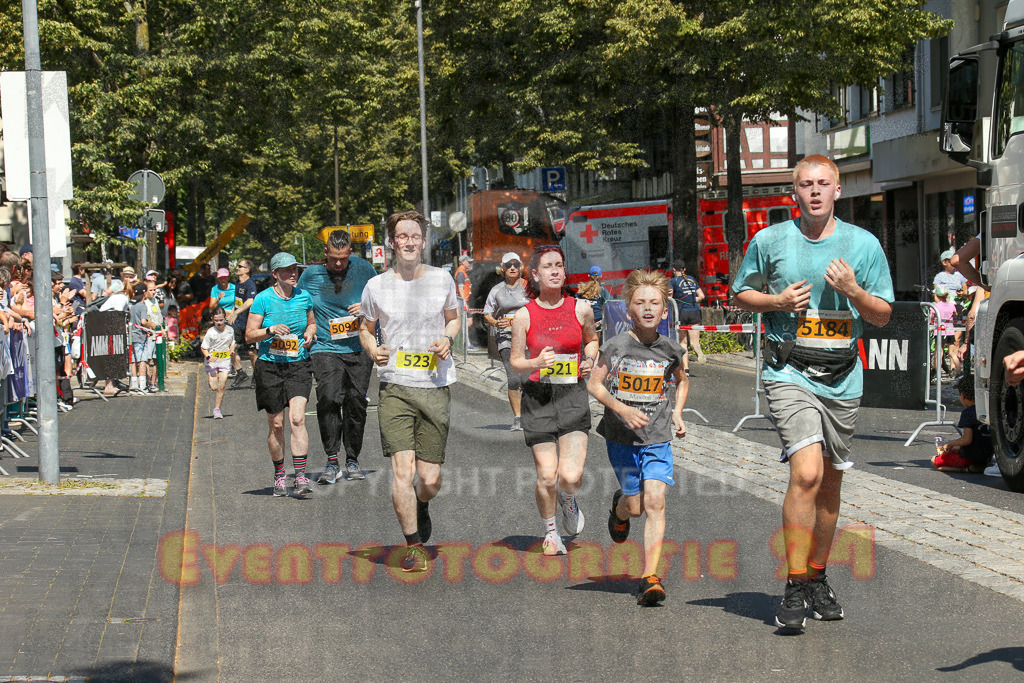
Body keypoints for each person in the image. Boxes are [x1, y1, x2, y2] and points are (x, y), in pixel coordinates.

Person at [731, 154, 894, 630]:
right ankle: (795, 582)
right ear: (795, 192)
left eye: (824, 184)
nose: (816, 191)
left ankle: (818, 575)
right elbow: (740, 293)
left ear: (838, 190)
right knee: (806, 472)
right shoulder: (770, 240)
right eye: (806, 184)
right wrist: (777, 301)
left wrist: (854, 291)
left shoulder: (862, 245)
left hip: (842, 376)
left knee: (830, 483)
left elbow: (882, 314)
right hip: (788, 372)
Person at [359, 210, 460, 573]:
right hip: (395, 385)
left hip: (434, 385)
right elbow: (366, 328)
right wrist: (372, 348)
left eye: (414, 235)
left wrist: (448, 339)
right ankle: (413, 545)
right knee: (402, 470)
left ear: (423, 240)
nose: (408, 241)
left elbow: (453, 317)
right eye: (402, 236)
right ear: (392, 242)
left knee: (429, 479)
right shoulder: (376, 286)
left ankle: (422, 503)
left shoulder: (441, 278)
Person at [587, 269, 688, 606]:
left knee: (656, 501)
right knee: (637, 507)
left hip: (657, 435)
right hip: (621, 438)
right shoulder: (615, 346)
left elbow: (682, 381)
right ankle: (619, 507)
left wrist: (677, 412)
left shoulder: (671, 349)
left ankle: (650, 576)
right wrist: (623, 409)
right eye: (640, 302)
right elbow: (594, 384)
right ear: (628, 308)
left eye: (654, 303)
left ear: (664, 309)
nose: (647, 308)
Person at [509, 244, 599, 556]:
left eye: (559, 265)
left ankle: (569, 499)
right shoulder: (523, 316)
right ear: (535, 274)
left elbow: (591, 340)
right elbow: (516, 361)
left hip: (571, 396)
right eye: (548, 266)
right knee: (547, 475)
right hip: (538, 399)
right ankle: (550, 533)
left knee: (570, 477)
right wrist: (535, 364)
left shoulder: (580, 308)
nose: (555, 271)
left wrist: (589, 358)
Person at [298, 229, 378, 484]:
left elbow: (383, 300)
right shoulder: (310, 275)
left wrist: (366, 308)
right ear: (325, 253)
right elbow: (300, 305)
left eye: (343, 258)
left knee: (356, 402)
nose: (338, 264)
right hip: (325, 347)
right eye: (333, 258)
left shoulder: (365, 270)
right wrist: (307, 329)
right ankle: (332, 460)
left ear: (350, 254)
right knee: (329, 397)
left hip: (359, 346)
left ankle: (352, 459)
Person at [245, 252, 316, 498]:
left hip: (298, 365)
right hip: (270, 366)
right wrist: (270, 329)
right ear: (275, 275)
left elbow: (312, 323)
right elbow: (249, 335)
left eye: (295, 269)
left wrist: (310, 333)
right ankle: (279, 475)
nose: (293, 274)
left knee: (297, 419)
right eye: (287, 271)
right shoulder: (263, 300)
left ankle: (300, 476)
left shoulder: (304, 296)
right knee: (276, 424)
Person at [483, 252, 530, 431]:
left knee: (528, 379)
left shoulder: (529, 287)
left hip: (527, 339)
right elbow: (487, 312)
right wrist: (496, 322)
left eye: (516, 265)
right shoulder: (496, 290)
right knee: (513, 378)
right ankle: (518, 418)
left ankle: (530, 413)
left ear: (520, 267)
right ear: (502, 268)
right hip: (506, 338)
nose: (512, 268)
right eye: (508, 265)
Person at [931, 375, 992, 473]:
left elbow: (967, 439)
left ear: (962, 395)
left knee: (934, 460)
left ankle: (966, 469)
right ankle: (977, 466)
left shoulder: (968, 412)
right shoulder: (987, 409)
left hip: (970, 456)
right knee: (954, 449)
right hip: (987, 454)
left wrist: (950, 444)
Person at [669, 262, 706, 372]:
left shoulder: (673, 281)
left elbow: (670, 297)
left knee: (683, 342)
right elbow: (702, 296)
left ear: (674, 269)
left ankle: (686, 369)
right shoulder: (692, 279)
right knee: (695, 341)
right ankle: (698, 350)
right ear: (684, 269)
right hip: (694, 312)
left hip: (681, 313)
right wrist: (691, 300)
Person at [227, 259, 258, 388]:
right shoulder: (238, 283)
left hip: (249, 323)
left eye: (240, 266)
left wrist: (237, 312)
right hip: (237, 324)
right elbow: (237, 301)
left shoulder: (250, 284)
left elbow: (250, 301)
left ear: (247, 270)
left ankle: (256, 376)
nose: (237, 268)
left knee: (252, 353)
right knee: (229, 347)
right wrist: (232, 314)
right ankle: (240, 372)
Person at [201, 307, 235, 419]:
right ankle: (211, 378)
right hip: (212, 363)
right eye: (216, 320)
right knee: (214, 387)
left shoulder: (230, 330)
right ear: (212, 319)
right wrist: (208, 357)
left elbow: (233, 342)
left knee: (222, 386)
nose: (219, 323)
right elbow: (203, 348)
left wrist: (232, 348)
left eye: (221, 320)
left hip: (225, 361)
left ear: (225, 319)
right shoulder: (211, 333)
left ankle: (217, 410)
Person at [128, 283, 157, 394]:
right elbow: (143, 322)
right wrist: (153, 326)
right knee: (143, 361)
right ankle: (143, 385)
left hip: (132, 336)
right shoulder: (142, 306)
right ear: (145, 293)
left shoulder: (132, 306)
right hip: (140, 337)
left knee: (134, 361)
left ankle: (134, 385)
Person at [931, 284, 960, 377]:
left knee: (939, 351)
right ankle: (959, 370)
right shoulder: (951, 305)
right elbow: (955, 314)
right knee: (952, 352)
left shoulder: (935, 306)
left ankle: (936, 370)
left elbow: (931, 317)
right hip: (950, 331)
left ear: (937, 295)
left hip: (940, 331)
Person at [575, 265, 611, 330]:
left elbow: (576, 302)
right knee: (595, 339)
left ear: (588, 275)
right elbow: (609, 305)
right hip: (598, 320)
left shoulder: (583, 289)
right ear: (601, 276)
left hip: (585, 320)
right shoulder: (603, 290)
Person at [454, 254, 477, 349]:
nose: (470, 264)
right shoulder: (460, 273)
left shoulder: (463, 272)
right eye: (468, 262)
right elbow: (460, 289)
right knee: (464, 323)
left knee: (468, 322)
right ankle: (465, 344)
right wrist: (464, 302)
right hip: (463, 301)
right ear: (463, 262)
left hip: (465, 300)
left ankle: (465, 342)